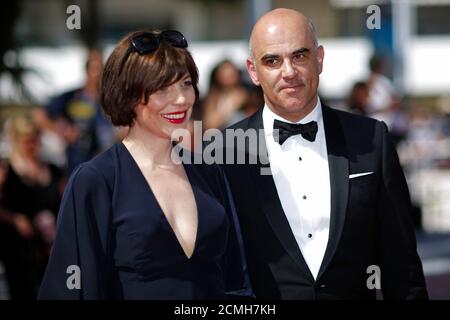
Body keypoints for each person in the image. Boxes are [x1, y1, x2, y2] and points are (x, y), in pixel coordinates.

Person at [220, 8, 428, 299]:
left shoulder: (371, 138)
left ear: (319, 59)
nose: (289, 72)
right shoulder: (224, 151)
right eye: (272, 61)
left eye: (299, 55)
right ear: (253, 71)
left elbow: (401, 262)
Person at [38, 30, 252, 300]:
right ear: (129, 95)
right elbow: (69, 291)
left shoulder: (209, 173)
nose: (182, 99)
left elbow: (237, 281)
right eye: (162, 89)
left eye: (186, 83)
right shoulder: (96, 181)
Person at [0, 113, 65, 299]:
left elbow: (67, 203)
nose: (33, 146)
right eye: (27, 141)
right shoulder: (6, 172)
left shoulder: (53, 169)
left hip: (50, 247)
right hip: (19, 249)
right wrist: (14, 219)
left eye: (35, 140)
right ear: (17, 141)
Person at [33, 50, 117, 174]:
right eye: (94, 68)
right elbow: (39, 115)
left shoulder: (111, 100)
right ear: (87, 70)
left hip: (106, 168)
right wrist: (63, 131)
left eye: (101, 68)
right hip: (76, 166)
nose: (98, 73)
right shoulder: (73, 97)